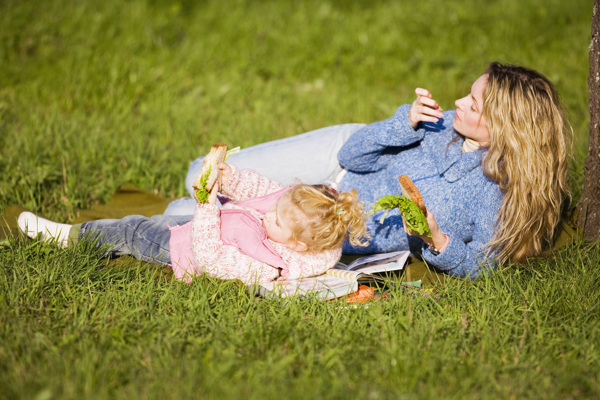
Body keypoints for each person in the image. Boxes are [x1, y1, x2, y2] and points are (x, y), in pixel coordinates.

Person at [169, 62, 572, 279]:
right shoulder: (440, 122)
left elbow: (487, 262)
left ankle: (191, 212)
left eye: (473, 103)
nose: (458, 102)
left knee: (184, 218)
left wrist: (439, 240)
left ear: (504, 129)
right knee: (196, 176)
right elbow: (352, 155)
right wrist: (405, 123)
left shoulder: (493, 195)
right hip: (335, 163)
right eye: (468, 92)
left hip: (327, 219)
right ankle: (206, 202)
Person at [18, 163, 369, 285]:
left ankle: (67, 237)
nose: (268, 214)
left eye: (275, 221)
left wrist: (205, 208)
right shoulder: (296, 220)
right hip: (212, 222)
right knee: (163, 218)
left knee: (133, 230)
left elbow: (209, 258)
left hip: (186, 248)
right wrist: (230, 178)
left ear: (296, 246)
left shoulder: (266, 264)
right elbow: (263, 191)